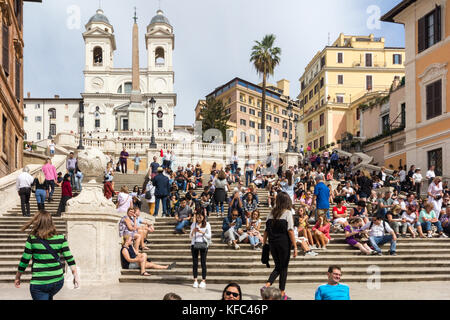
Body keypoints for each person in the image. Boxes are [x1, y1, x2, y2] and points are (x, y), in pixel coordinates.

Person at [15, 210, 79, 300]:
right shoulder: (61, 238)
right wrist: (75, 275)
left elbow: (25, 260)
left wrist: (18, 276)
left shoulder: (32, 238)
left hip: (40, 282)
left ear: (37, 222)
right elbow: (69, 258)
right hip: (58, 281)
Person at [261, 192, 297, 300]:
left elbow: (266, 231)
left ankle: (266, 285)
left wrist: (264, 244)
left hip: (273, 243)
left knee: (278, 266)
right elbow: (290, 230)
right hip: (284, 243)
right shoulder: (288, 213)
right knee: (284, 267)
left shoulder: (270, 213)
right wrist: (295, 246)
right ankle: (282, 293)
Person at [191, 210, 211, 289]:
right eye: (197, 216)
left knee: (203, 262)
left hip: (203, 244)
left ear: (203, 216)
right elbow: (190, 236)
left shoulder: (207, 224)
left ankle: (203, 280)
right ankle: (195, 280)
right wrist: (193, 231)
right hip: (194, 244)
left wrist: (202, 232)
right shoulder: (193, 224)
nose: (199, 218)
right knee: (195, 263)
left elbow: (209, 236)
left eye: (200, 216)